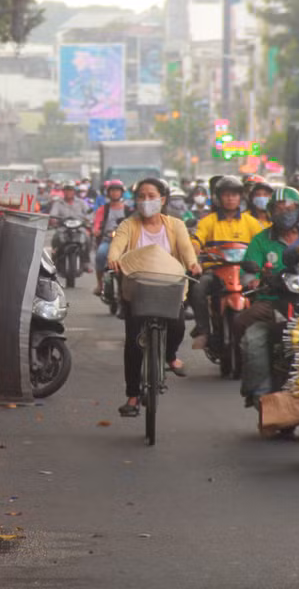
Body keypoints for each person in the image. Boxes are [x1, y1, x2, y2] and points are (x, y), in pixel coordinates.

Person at [105, 177, 202, 417]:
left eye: (151, 196)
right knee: (133, 342)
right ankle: (132, 396)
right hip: (137, 290)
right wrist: (113, 259)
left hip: (170, 289)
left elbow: (186, 249)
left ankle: (170, 356)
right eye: (141, 196)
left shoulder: (176, 225)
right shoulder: (128, 225)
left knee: (178, 326)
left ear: (163, 199)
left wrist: (193, 264)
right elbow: (117, 245)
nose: (146, 201)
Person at [235, 187, 299, 405]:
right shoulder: (260, 240)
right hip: (271, 304)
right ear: (271, 212)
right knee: (252, 338)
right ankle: (259, 392)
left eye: (290, 208)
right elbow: (247, 274)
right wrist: (254, 280)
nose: (285, 212)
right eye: (279, 208)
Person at [190, 175, 265, 347]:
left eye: (234, 194)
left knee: (261, 290)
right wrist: (194, 248)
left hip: (244, 272)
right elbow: (196, 239)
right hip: (215, 272)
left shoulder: (251, 223)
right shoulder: (207, 222)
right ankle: (203, 330)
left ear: (241, 197)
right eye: (226, 194)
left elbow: (262, 243)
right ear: (218, 197)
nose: (230, 198)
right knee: (198, 287)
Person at [93, 180, 131, 295]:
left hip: (125, 242)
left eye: (117, 191)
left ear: (121, 193)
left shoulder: (128, 209)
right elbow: (97, 223)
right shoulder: (103, 209)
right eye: (113, 191)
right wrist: (96, 230)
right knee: (100, 255)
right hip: (108, 240)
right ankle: (99, 284)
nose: (115, 193)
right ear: (108, 193)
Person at [48, 180, 92, 273]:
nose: (69, 192)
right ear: (63, 191)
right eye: (67, 190)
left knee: (87, 238)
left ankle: (86, 262)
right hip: (63, 228)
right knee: (55, 238)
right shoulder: (58, 203)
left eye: (71, 190)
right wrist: (53, 221)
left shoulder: (81, 202)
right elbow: (53, 215)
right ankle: (54, 260)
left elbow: (89, 214)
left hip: (79, 228)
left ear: (74, 191)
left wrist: (88, 220)